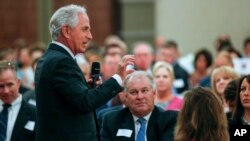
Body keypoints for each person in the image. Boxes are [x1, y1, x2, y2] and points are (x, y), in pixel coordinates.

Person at [35, 4, 134, 141]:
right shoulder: (61, 62)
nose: (90, 36)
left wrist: (87, 89)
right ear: (66, 31)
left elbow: (69, 100)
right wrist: (118, 78)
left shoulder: (51, 58)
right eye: (85, 29)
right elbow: (85, 102)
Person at [100, 71, 178, 141]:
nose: (140, 97)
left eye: (144, 91)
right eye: (134, 92)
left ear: (154, 93)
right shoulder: (112, 120)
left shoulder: (168, 120)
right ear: (126, 96)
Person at [0, 60, 36, 141]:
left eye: (10, 84)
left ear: (18, 83)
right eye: (1, 86)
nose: (6, 91)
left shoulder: (36, 114)